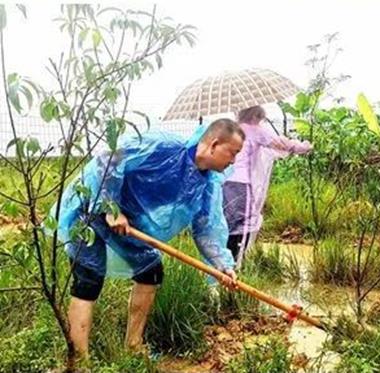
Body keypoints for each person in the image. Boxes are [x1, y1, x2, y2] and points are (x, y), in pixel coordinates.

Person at [53, 118, 244, 360]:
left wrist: (222, 266)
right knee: (88, 281)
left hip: (127, 225)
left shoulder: (207, 185)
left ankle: (133, 346)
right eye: (233, 152)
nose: (234, 161)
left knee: (151, 271)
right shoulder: (163, 147)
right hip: (90, 210)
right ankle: (79, 360)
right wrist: (111, 208)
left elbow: (206, 228)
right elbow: (108, 160)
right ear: (214, 144)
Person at [222, 105, 312, 266]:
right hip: (241, 184)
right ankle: (236, 268)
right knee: (244, 225)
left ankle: (225, 266)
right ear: (255, 116)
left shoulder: (233, 129)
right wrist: (305, 147)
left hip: (225, 182)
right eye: (259, 117)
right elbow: (283, 144)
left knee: (229, 224)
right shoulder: (255, 129)